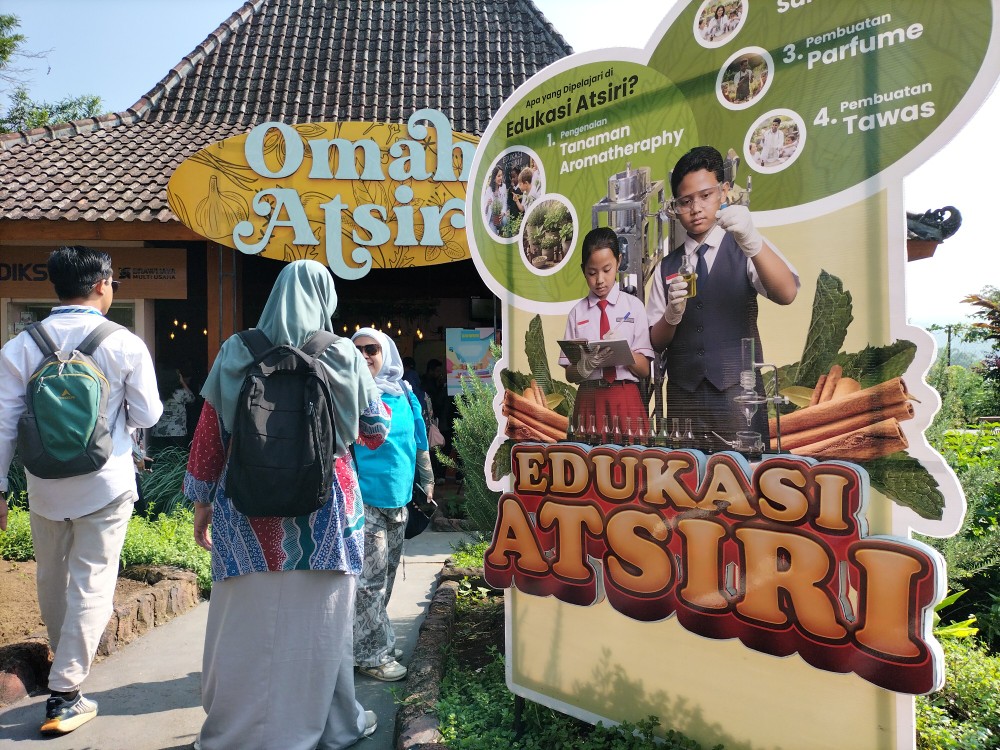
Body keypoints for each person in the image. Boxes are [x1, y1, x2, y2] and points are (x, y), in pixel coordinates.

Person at [184, 260, 388, 750]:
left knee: (246, 628)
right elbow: (375, 432)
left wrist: (202, 502)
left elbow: (210, 436)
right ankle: (334, 724)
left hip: (245, 512)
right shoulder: (342, 354)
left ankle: (238, 730)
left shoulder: (238, 349)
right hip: (327, 511)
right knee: (323, 629)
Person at [0, 245, 162, 735]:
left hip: (44, 484)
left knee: (52, 576)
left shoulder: (21, 346)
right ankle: (66, 693)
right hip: (106, 483)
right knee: (93, 578)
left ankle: (61, 664)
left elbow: (4, 425)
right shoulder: (124, 343)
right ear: (101, 284)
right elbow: (151, 414)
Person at [647, 146, 798, 452]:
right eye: (685, 202)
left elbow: (787, 293)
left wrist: (752, 241)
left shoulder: (745, 244)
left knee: (743, 486)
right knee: (687, 485)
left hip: (738, 400)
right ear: (676, 208)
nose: (696, 208)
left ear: (724, 192)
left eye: (705, 195)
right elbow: (655, 341)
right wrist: (671, 317)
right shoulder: (666, 266)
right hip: (683, 402)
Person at [350, 328, 434, 681]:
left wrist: (427, 483)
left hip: (400, 500)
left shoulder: (404, 393)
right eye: (358, 351)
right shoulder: (350, 395)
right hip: (365, 500)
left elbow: (420, 440)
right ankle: (371, 655)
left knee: (385, 576)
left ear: (386, 353)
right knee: (370, 581)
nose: (366, 356)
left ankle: (370, 640)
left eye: (372, 349)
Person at [560, 227, 653, 440]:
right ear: (583, 269)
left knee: (630, 465)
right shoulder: (577, 313)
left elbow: (644, 370)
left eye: (607, 270)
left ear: (619, 262)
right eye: (592, 273)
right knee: (589, 467)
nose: (600, 280)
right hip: (589, 398)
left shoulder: (634, 306)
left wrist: (623, 353)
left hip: (625, 396)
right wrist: (586, 364)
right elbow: (570, 374)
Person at [151, 365, 195, 449]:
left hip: (158, 432)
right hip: (177, 433)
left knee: (160, 460)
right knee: (176, 460)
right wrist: (182, 382)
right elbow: (192, 398)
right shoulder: (180, 394)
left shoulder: (156, 394)